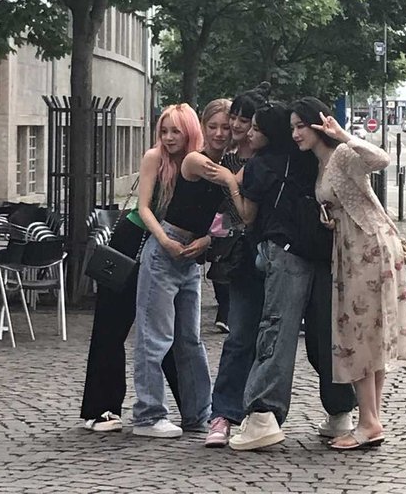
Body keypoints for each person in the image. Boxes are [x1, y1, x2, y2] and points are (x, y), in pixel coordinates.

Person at [204, 101, 355, 451]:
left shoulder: (262, 164)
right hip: (321, 252)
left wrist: (231, 182)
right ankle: (340, 411)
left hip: (284, 251)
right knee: (323, 334)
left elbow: (247, 215)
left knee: (276, 329)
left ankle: (263, 414)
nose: (248, 132)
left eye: (255, 127)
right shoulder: (311, 158)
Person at [290, 96, 406, 450]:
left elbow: (381, 159)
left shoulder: (342, 154)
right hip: (350, 247)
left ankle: (369, 421)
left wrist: (343, 135)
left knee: (358, 332)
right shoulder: (319, 163)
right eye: (293, 128)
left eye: (301, 126)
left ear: (318, 125)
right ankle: (371, 420)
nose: (296, 134)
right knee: (367, 331)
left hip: (367, 247)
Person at [81, 103, 201, 432]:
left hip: (167, 247)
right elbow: (145, 208)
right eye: (164, 131)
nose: (169, 137)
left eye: (176, 131)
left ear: (190, 132)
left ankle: (193, 408)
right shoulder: (154, 157)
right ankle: (101, 409)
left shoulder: (196, 162)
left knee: (169, 329)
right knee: (111, 325)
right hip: (134, 241)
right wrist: (164, 240)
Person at [132, 99, 232, 438]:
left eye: (226, 127)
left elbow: (222, 219)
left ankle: (198, 414)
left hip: (191, 256)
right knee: (154, 337)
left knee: (189, 339)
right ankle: (148, 415)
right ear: (202, 127)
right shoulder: (194, 161)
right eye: (213, 126)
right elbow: (145, 208)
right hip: (164, 250)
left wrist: (207, 240)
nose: (220, 133)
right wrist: (164, 241)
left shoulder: (214, 161)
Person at [205, 85, 269, 448]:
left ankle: (261, 414)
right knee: (239, 337)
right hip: (239, 257)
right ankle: (224, 414)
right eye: (236, 118)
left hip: (272, 253)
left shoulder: (270, 159)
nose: (238, 126)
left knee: (271, 341)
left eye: (247, 120)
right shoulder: (224, 159)